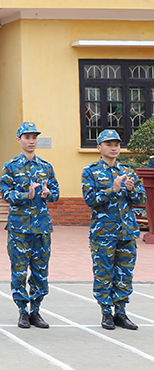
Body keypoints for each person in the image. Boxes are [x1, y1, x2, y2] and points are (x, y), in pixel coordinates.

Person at [81, 129, 146, 330]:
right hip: (103, 234)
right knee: (104, 273)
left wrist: (130, 189)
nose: (114, 147)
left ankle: (121, 312)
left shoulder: (128, 171)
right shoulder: (90, 171)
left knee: (124, 274)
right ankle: (106, 313)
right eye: (109, 144)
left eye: (117, 144)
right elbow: (91, 201)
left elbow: (141, 199)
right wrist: (113, 189)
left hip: (126, 232)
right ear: (99, 147)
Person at [0, 122, 60, 329]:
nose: (31, 141)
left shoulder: (46, 167)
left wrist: (47, 194)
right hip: (19, 229)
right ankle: (22, 311)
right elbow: (6, 194)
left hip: (42, 228)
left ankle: (36, 310)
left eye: (34, 137)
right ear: (19, 140)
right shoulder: (10, 167)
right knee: (19, 271)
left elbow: (56, 193)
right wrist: (27, 195)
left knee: (40, 271)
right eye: (27, 137)